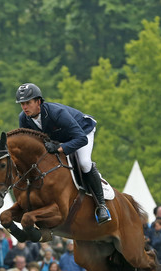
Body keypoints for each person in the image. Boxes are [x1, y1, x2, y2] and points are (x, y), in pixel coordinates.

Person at [16, 82, 110, 224]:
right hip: (59, 139)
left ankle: (101, 205)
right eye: (22, 104)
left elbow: (81, 139)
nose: (24, 107)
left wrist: (60, 149)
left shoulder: (55, 113)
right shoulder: (23, 118)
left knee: (84, 163)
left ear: (38, 102)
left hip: (82, 131)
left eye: (28, 103)